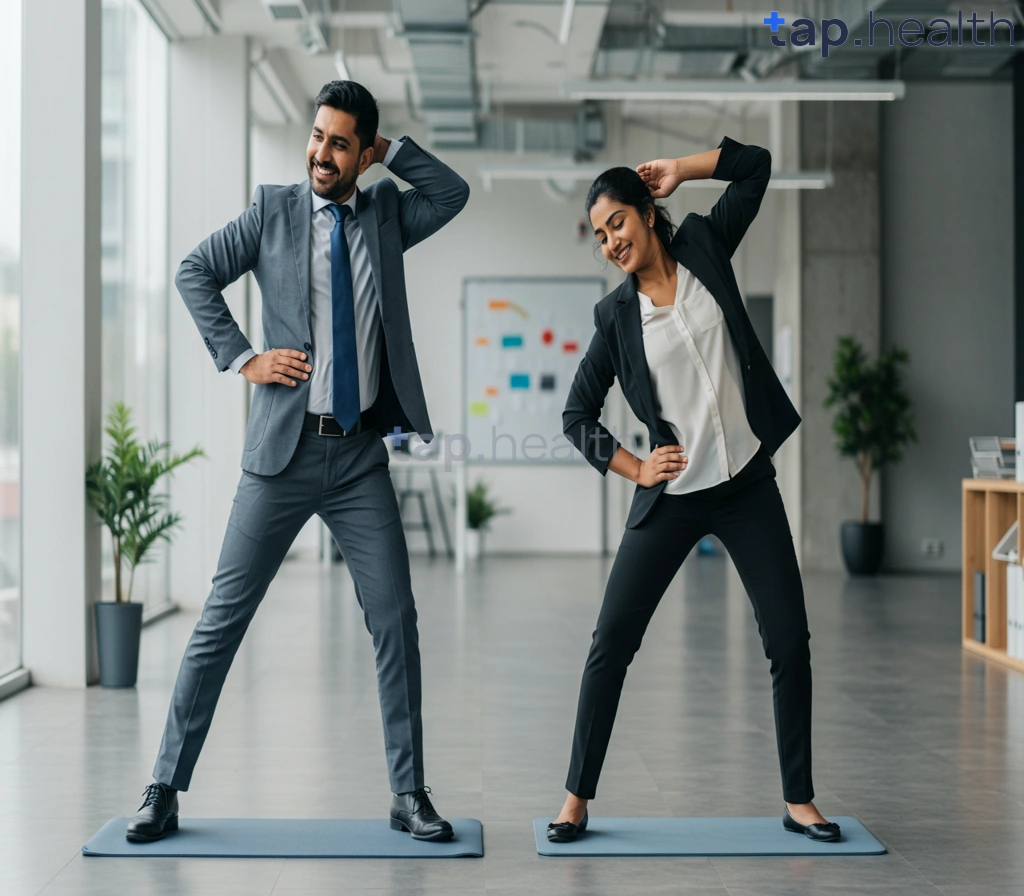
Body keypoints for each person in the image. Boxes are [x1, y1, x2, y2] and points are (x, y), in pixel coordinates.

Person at [125, 81, 469, 843]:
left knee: (396, 623)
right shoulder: (273, 212)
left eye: (341, 143)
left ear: (362, 154)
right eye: (318, 136)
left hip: (357, 464)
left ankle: (408, 792)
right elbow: (194, 272)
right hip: (280, 455)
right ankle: (162, 787)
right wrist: (243, 356)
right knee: (221, 620)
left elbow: (453, 194)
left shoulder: (385, 216)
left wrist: (393, 154)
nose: (321, 152)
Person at [546, 136, 839, 844]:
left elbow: (758, 166)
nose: (611, 240)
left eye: (618, 221)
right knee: (611, 641)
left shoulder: (706, 245)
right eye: (600, 235)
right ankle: (574, 800)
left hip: (746, 486)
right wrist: (635, 465)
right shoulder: (613, 319)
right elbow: (576, 417)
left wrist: (685, 168)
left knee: (788, 641)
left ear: (648, 212)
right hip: (673, 498)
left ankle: (799, 800)